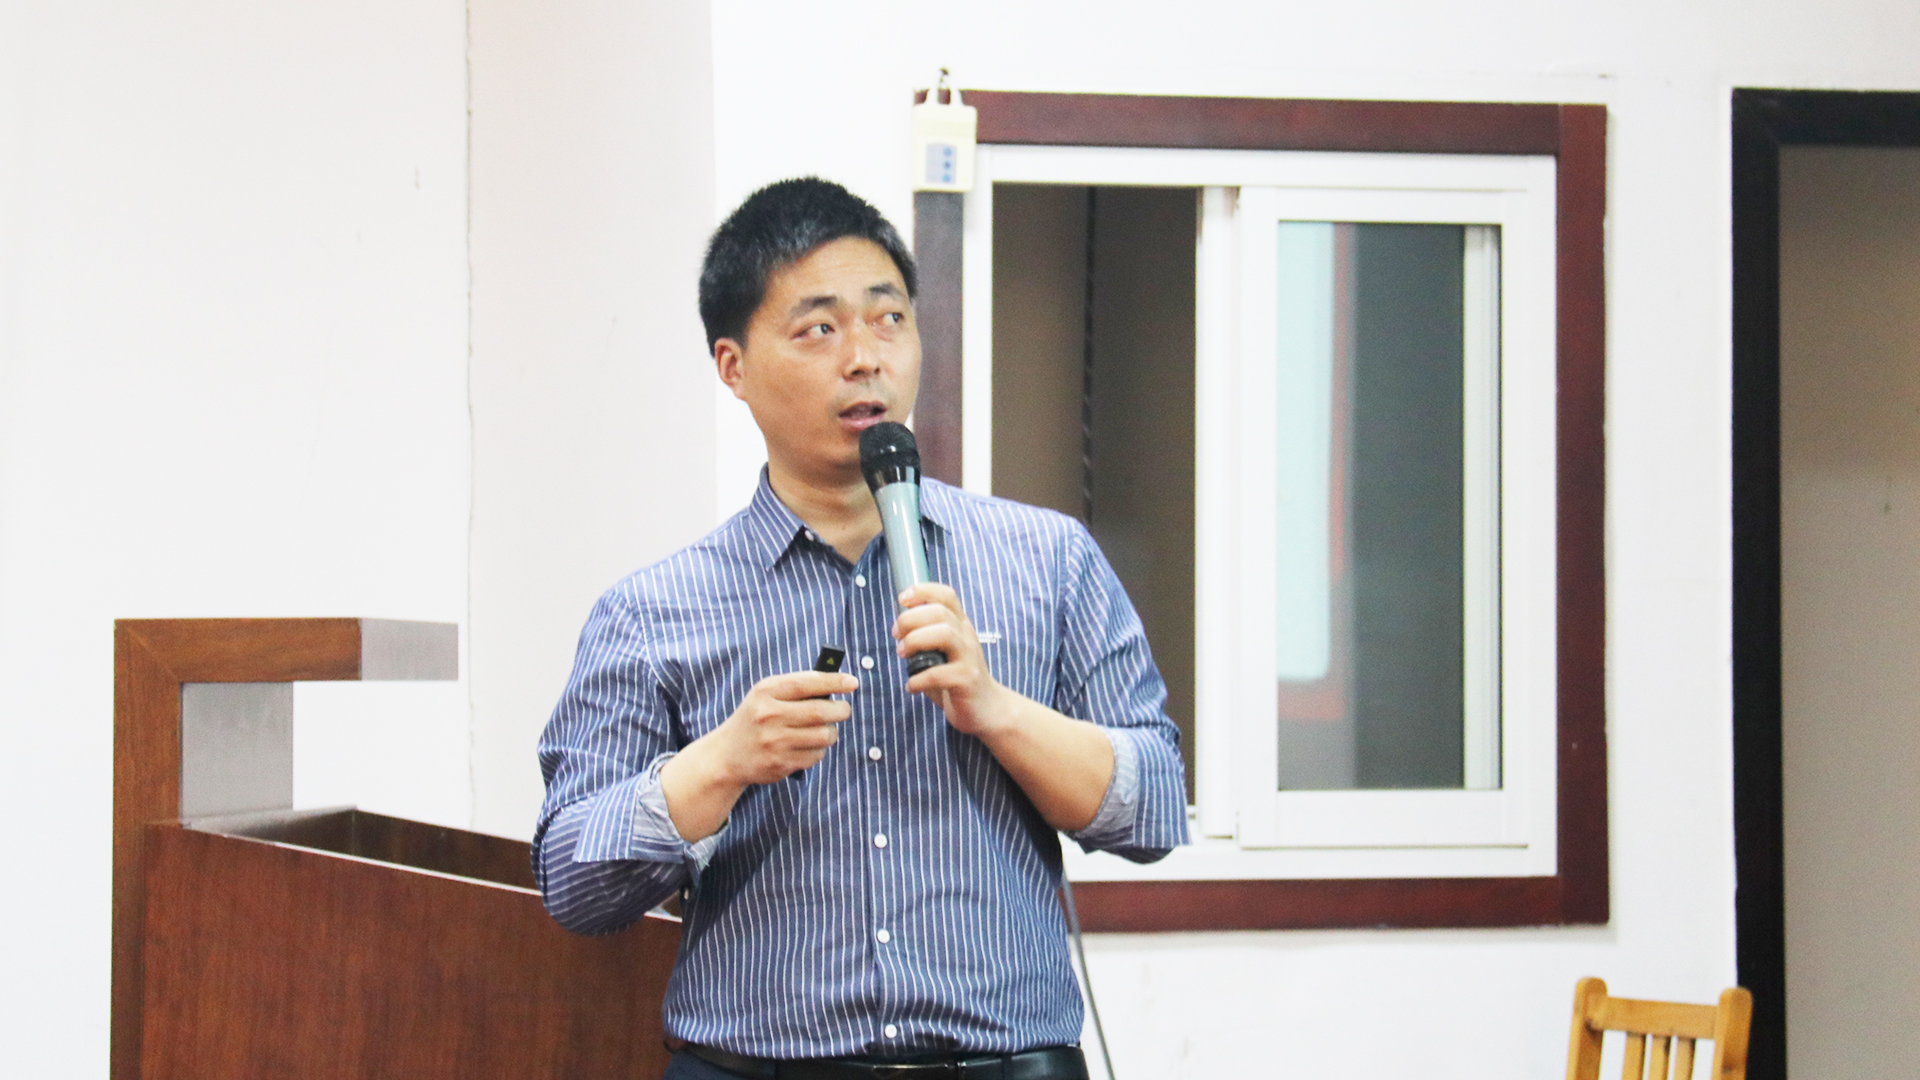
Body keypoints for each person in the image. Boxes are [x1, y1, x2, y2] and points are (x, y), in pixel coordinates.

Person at [533, 177, 1187, 1080]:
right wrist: (719, 763)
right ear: (732, 366)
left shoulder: (1049, 561)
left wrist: (1001, 712)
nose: (865, 358)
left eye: (889, 320)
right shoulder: (651, 612)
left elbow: (1155, 809)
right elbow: (572, 884)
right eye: (819, 329)